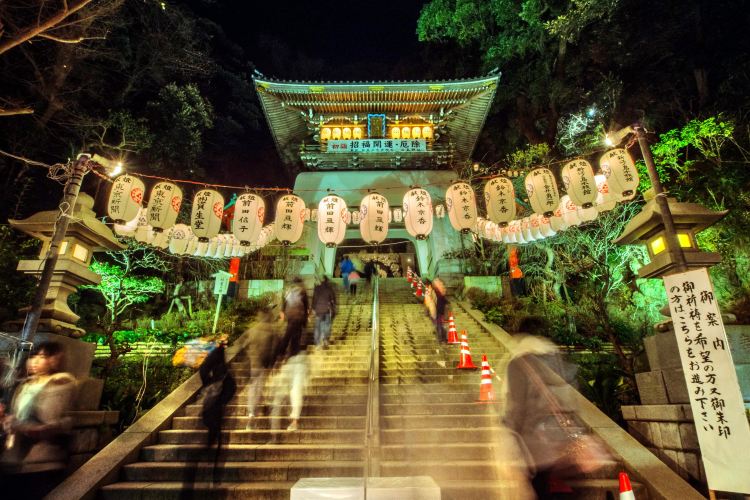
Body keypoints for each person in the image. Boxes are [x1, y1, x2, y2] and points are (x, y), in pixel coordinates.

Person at [502, 317, 603, 498]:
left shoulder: (518, 364)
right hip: (567, 446)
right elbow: (570, 398)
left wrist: (508, 436)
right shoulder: (555, 358)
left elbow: (516, 408)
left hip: (539, 447)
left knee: (544, 492)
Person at [0, 341, 76, 499]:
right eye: (33, 356)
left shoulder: (60, 384)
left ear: (55, 359)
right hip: (15, 460)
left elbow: (48, 422)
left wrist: (16, 423)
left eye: (41, 356)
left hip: (42, 462)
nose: (34, 361)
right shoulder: (25, 385)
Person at [243, 308, 280, 429]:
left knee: (253, 387)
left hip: (254, 363)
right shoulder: (272, 331)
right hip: (264, 363)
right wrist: (274, 363)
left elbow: (244, 345)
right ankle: (254, 411)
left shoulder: (253, 329)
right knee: (259, 386)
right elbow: (275, 348)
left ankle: (251, 412)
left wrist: (250, 355)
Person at [276, 278, 309, 360]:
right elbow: (306, 306)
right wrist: (306, 319)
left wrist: (282, 311)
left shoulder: (289, 291)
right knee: (296, 335)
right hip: (299, 316)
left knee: (288, 334)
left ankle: (281, 351)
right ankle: (294, 353)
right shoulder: (302, 292)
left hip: (290, 316)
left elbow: (284, 302)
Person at [312, 276, 337, 348]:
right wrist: (334, 307)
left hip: (318, 310)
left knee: (317, 326)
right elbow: (333, 300)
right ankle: (325, 338)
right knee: (327, 325)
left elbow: (314, 299)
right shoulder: (329, 289)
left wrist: (313, 308)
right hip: (326, 310)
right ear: (327, 281)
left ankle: (317, 343)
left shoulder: (317, 288)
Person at [432, 278, 449, 344]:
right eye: (438, 283)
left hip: (441, 310)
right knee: (439, 325)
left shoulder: (441, 291)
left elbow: (444, 299)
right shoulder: (434, 291)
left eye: (440, 283)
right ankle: (441, 339)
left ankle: (443, 338)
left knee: (442, 325)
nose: (440, 284)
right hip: (437, 310)